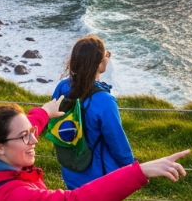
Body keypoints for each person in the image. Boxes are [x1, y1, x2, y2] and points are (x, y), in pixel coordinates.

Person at [0, 101, 191, 201]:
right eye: (25, 136)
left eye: (32, 131)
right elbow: (74, 199)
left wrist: (43, 113)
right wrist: (141, 171)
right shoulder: (16, 193)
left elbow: (28, 126)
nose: (34, 140)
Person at [51, 35, 133, 189]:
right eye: (106, 55)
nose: (107, 57)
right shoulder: (104, 100)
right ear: (100, 64)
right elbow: (117, 142)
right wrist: (132, 168)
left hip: (71, 167)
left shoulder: (62, 87)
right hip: (99, 177)